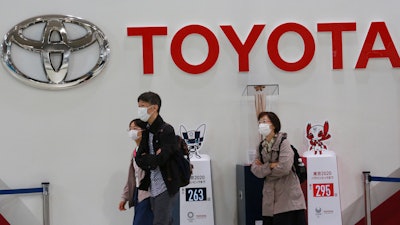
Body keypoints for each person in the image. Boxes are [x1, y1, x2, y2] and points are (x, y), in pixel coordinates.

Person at [251, 111, 307, 225]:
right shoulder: (261, 146)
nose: (261, 125)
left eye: (264, 121)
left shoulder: (283, 142)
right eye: (260, 122)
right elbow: (255, 169)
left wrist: (264, 170)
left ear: (274, 125)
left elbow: (284, 168)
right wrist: (270, 165)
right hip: (269, 202)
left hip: (288, 201)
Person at [135, 91, 180, 225]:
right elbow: (139, 159)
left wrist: (149, 158)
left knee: (161, 222)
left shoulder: (166, 130)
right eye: (139, 106)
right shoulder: (146, 130)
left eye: (143, 106)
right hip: (151, 187)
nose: (140, 110)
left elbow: (162, 159)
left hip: (165, 185)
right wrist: (152, 158)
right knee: (165, 221)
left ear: (154, 108)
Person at [119, 119, 153, 225]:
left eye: (135, 128)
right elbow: (132, 177)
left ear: (143, 131)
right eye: (130, 129)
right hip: (137, 194)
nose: (132, 131)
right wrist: (124, 197)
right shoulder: (135, 152)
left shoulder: (149, 151)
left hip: (148, 194)